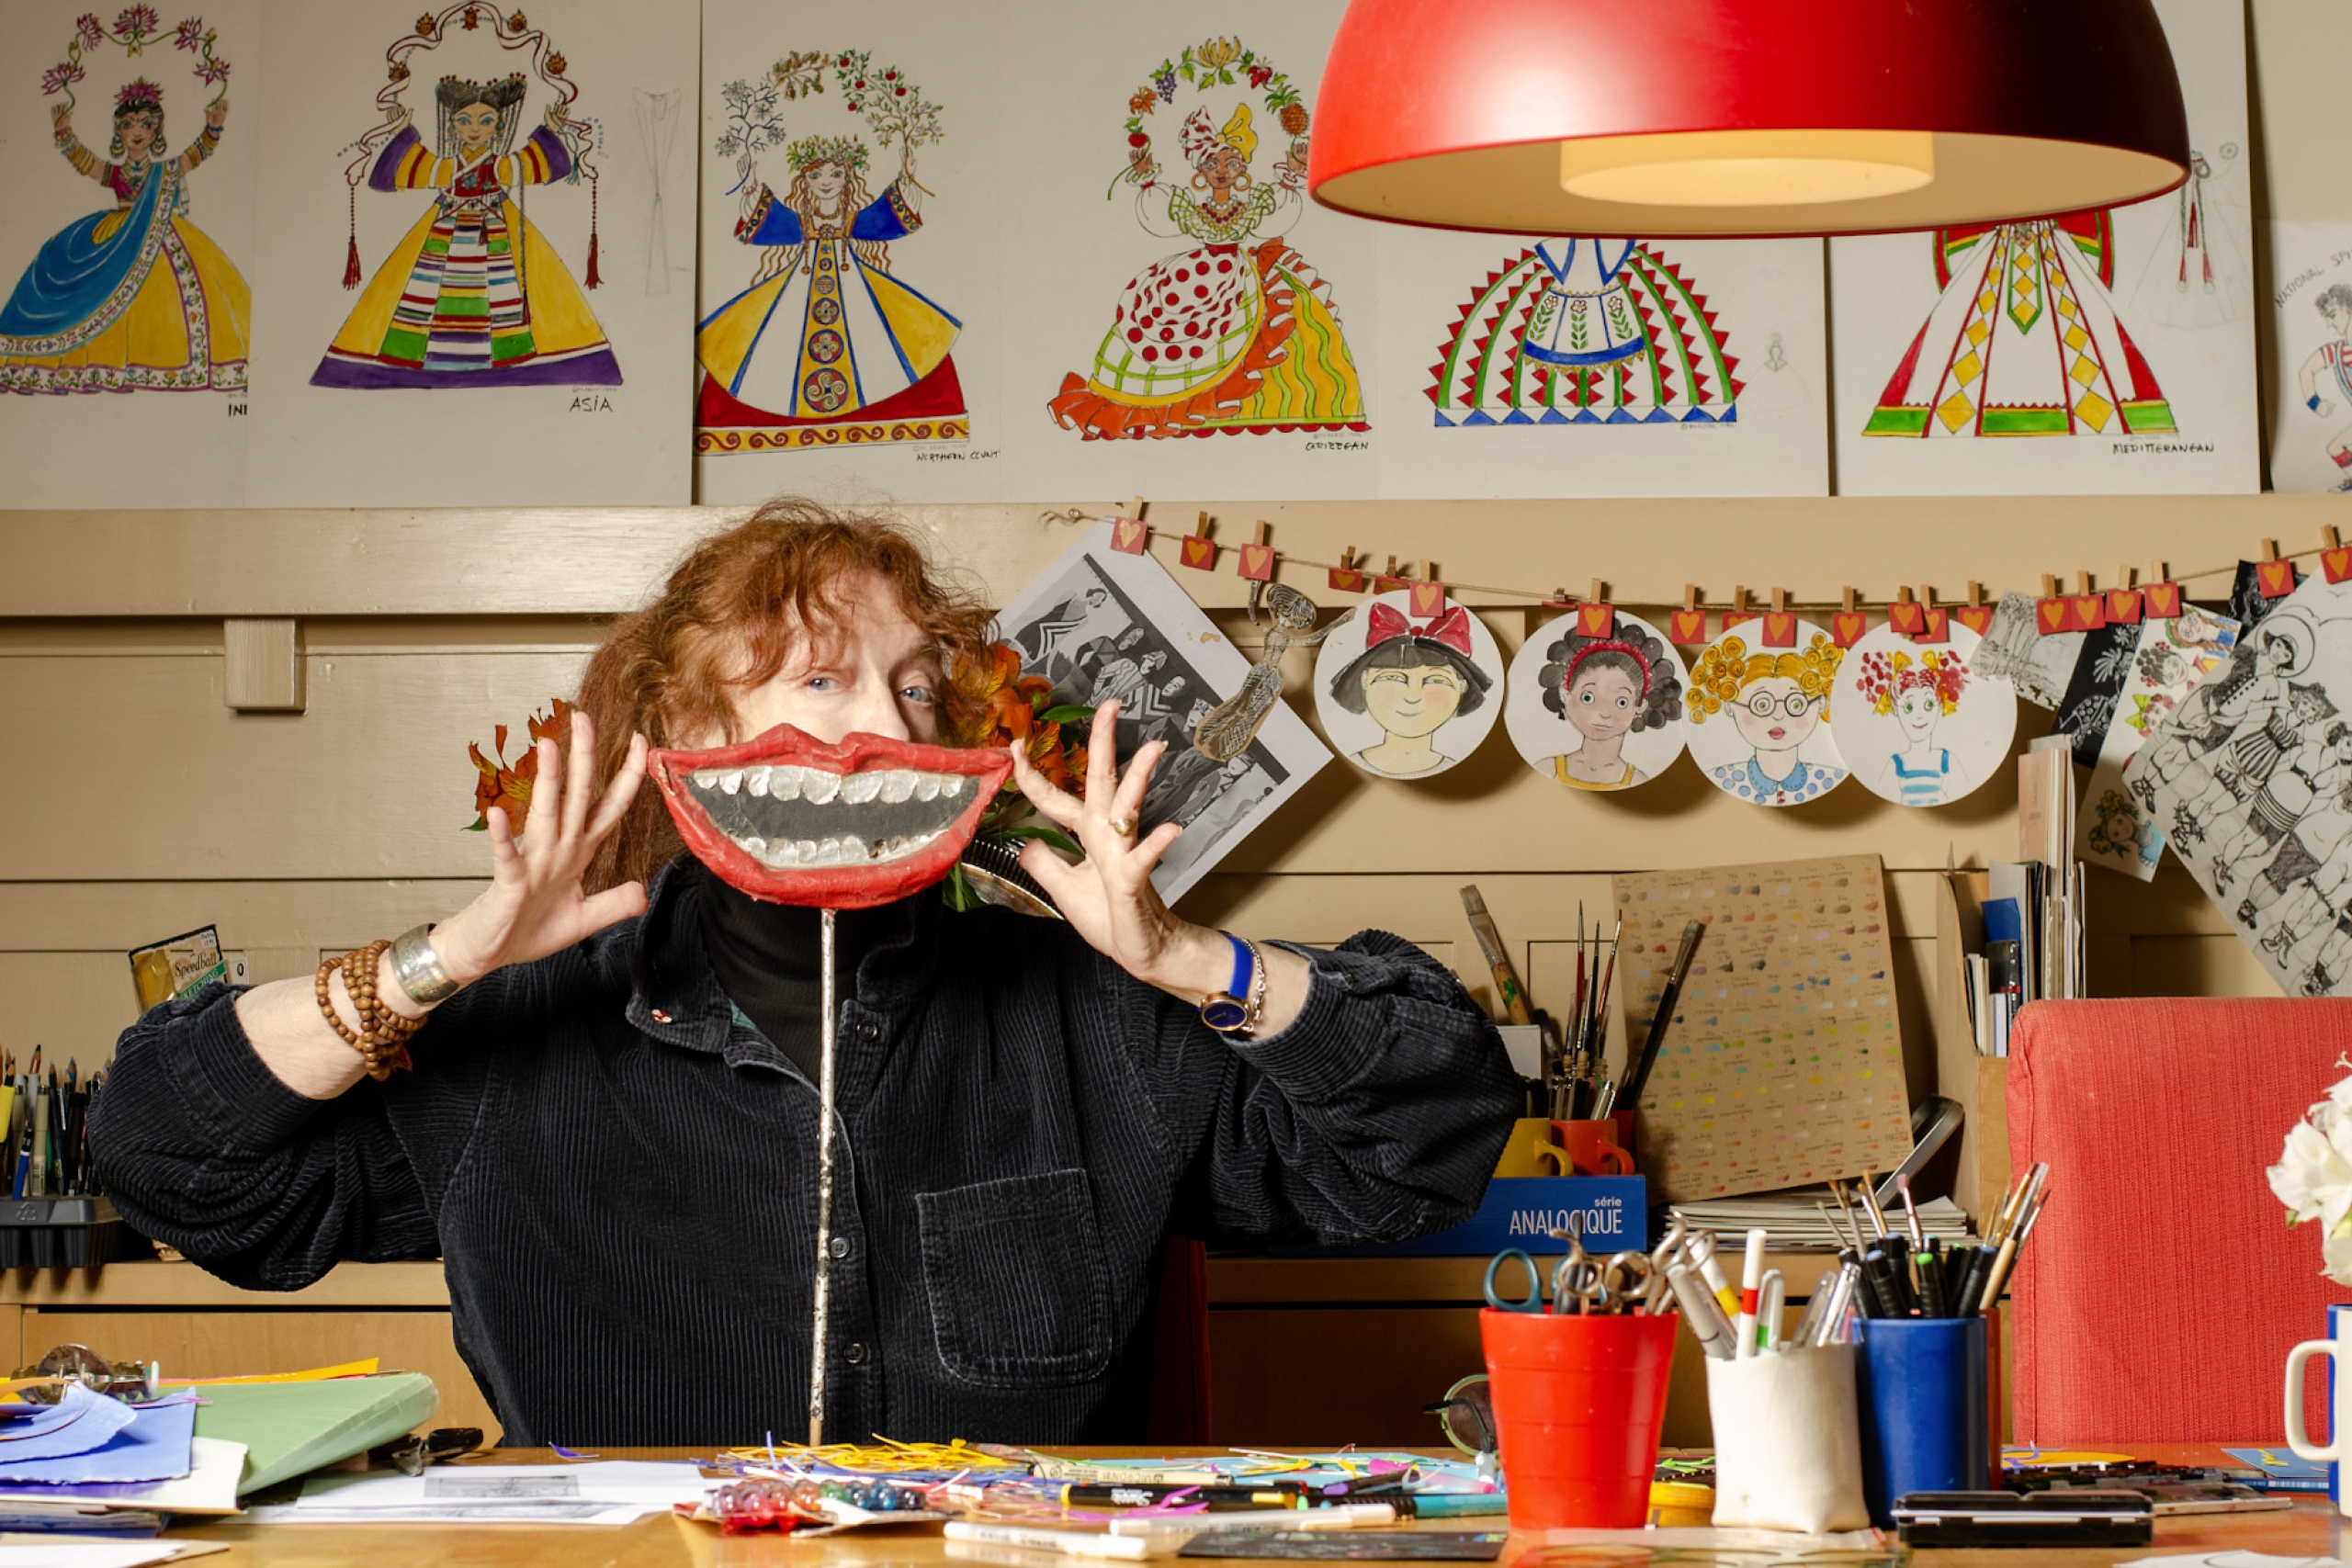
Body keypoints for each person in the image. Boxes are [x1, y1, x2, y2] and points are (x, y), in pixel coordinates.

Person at [89, 500, 1519, 1448]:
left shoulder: (1096, 1017)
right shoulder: (516, 1038)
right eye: (822, 680)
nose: (881, 726)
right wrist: (451, 956)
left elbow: (1429, 1141)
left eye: (913, 686)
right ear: (688, 736)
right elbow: (166, 1153)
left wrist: (1186, 954)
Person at [1050, 100, 1363, 439]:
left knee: (1264, 324)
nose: (1221, 172)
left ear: (1243, 170)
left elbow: (1277, 218)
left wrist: (1292, 175)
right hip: (1192, 275)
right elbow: (1160, 220)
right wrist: (1146, 181)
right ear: (1199, 170)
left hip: (1238, 276)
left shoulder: (1250, 207)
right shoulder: (1190, 209)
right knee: (1161, 323)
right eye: (1212, 164)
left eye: (1232, 164)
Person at [315, 73, 619, 388]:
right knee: (426, 293)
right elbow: (387, 177)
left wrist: (550, 129)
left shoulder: (499, 166)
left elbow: (548, 165)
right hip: (445, 233)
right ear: (452, 126)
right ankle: (423, 359)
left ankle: (507, 358)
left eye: (485, 121)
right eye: (464, 120)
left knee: (502, 295)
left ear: (498, 126)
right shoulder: (448, 167)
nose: (475, 129)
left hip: (495, 235)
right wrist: (402, 133)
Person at [695, 132, 964, 448]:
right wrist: (751, 188)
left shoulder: (853, 220)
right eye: (816, 175)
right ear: (804, 180)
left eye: (835, 174)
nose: (826, 182)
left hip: (856, 288)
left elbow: (893, 219)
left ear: (848, 177)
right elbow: (762, 225)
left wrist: (906, 178)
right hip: (799, 286)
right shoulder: (800, 223)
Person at [0, 81, 248, 394]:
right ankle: (94, 370)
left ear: (157, 131)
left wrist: (213, 128)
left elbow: (194, 156)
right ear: (118, 132)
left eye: (146, 123)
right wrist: (64, 133)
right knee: (83, 285)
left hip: (161, 235)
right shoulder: (116, 174)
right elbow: (87, 163)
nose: (137, 131)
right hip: (116, 238)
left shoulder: (166, 170)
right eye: (128, 124)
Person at [1325, 604, 1494, 777]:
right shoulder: (1342, 769)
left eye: (1436, 680)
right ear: (1364, 680)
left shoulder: (1463, 773)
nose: (1413, 696)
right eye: (1393, 678)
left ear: (1462, 687)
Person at [1688, 634, 1847, 806]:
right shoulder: (1727, 777)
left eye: (1796, 704)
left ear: (1821, 704)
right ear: (1730, 706)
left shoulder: (1827, 777)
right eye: (1762, 704)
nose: (1778, 715)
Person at [1533, 619, 1683, 790]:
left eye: (1621, 702)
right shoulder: (1546, 770)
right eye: (1588, 698)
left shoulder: (1638, 782)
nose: (1604, 713)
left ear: (1640, 706)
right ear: (1566, 696)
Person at [1859, 647, 1973, 807]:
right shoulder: (1896, 764)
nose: (1919, 716)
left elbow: (1962, 795)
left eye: (1929, 705)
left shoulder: (1946, 761)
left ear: (1940, 705)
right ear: (1896, 709)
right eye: (1909, 707)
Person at [2294, 283, 2352, 490]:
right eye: (2327, 318)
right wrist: (2316, 403)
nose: (2329, 323)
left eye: (2333, 315)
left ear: (2348, 308)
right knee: (2335, 448)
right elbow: (2306, 371)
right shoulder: (2336, 352)